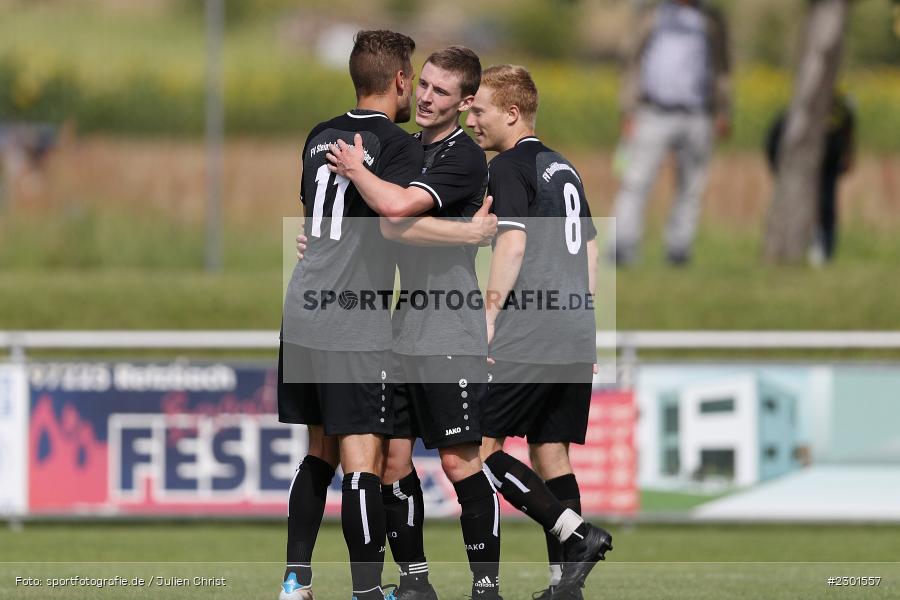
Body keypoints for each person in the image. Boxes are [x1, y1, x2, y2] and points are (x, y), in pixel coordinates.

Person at [325, 46, 505, 600]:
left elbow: (396, 218)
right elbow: (381, 218)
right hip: (402, 327)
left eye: (442, 91)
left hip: (449, 326)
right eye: (423, 84)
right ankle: (415, 582)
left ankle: (486, 587)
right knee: (392, 460)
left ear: (466, 102)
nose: (426, 97)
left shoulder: (464, 157)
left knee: (458, 460)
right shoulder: (405, 152)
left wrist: (358, 173)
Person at [278, 29, 423, 600]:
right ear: (400, 81)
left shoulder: (319, 135)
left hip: (303, 304)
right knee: (363, 456)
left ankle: (296, 584)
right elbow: (399, 220)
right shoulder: (402, 145)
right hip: (353, 312)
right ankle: (367, 591)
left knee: (320, 450)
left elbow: (317, 221)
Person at [465, 64, 612, 600]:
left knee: (477, 449)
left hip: (532, 329)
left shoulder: (509, 166)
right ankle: (564, 588)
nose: (470, 117)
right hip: (573, 327)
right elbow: (591, 249)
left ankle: (577, 534)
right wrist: (583, 319)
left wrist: (488, 317)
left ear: (511, 112)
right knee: (551, 454)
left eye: (478, 109)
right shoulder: (564, 167)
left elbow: (514, 244)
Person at [610, 0, 732, 266]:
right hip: (652, 112)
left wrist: (724, 110)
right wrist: (628, 109)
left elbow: (722, 68)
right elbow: (632, 62)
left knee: (691, 186)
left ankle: (679, 249)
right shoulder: (652, 15)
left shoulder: (711, 20)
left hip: (698, 114)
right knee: (635, 181)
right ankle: (622, 247)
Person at [765, 91, 856, 264]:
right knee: (796, 208)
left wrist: (845, 158)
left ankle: (825, 252)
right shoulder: (791, 114)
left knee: (825, 207)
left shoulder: (841, 110)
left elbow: (848, 134)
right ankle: (795, 249)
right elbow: (773, 143)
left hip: (828, 167)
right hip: (796, 169)